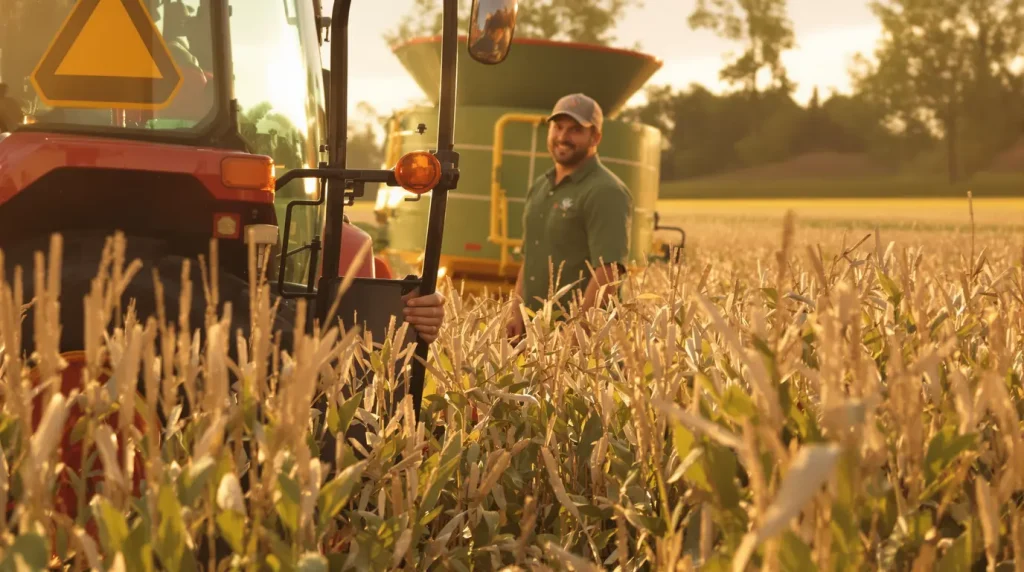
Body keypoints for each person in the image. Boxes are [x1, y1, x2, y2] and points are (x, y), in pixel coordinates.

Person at [507, 93, 633, 338]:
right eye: (558, 127)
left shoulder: (606, 191)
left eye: (575, 130)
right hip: (533, 333)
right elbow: (530, 258)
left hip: (580, 341)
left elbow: (608, 272)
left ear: (595, 136)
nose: (563, 137)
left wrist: (576, 333)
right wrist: (516, 312)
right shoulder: (541, 187)